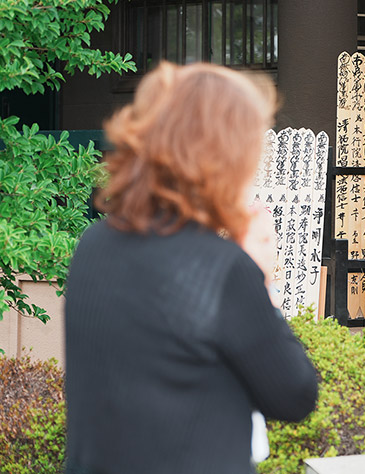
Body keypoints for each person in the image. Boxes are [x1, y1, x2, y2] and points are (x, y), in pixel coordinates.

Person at [64, 63, 318, 474]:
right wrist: (263, 281)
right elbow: (295, 395)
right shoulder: (223, 269)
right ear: (226, 158)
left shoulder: (94, 246)